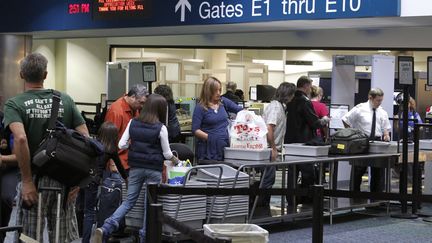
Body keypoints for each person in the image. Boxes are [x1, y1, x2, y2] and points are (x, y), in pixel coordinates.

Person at [3, 52, 88, 242]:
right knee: (62, 235)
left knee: (30, 237)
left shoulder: (15, 104)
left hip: (35, 180)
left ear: (21, 75)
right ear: (46, 75)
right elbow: (85, 138)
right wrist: (77, 181)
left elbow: (21, 139)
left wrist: (26, 182)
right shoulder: (65, 100)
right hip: (64, 180)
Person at [95, 94, 179, 243]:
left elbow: (121, 145)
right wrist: (175, 160)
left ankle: (107, 227)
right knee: (150, 205)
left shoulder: (133, 122)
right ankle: (144, 236)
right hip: (153, 170)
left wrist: (132, 146)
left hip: (135, 168)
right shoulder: (161, 128)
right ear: (160, 110)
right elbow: (166, 154)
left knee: (129, 201)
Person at [284, 76, 329, 205]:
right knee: (307, 172)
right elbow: (314, 122)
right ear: (305, 86)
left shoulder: (290, 100)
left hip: (290, 141)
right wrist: (324, 120)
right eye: (309, 86)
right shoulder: (304, 101)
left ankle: (291, 199)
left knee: (292, 173)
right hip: (304, 142)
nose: (310, 89)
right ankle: (306, 198)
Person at [81, 121, 127, 243]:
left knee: (85, 211)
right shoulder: (111, 150)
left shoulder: (93, 144)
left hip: (83, 178)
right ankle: (90, 238)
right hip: (95, 181)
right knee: (91, 211)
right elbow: (121, 168)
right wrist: (127, 180)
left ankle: (83, 239)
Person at [342, 88, 391, 192]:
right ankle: (354, 195)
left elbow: (385, 128)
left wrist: (386, 135)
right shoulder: (360, 108)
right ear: (370, 98)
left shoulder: (382, 112)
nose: (379, 102)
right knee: (358, 170)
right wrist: (351, 134)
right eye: (378, 100)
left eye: (381, 100)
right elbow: (345, 119)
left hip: (377, 142)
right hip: (361, 142)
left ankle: (376, 197)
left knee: (378, 171)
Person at [258, 82, 296, 206]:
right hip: (269, 149)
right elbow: (270, 128)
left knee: (269, 179)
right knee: (268, 180)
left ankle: (262, 207)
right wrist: (274, 148)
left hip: (271, 148)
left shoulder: (279, 106)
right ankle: (260, 209)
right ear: (288, 94)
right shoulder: (275, 107)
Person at [192, 77, 243, 161]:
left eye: (220, 90)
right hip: (208, 150)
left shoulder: (223, 102)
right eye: (215, 90)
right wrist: (212, 138)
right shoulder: (200, 107)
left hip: (224, 147)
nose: (219, 93)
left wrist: (248, 115)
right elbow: (195, 130)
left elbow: (239, 110)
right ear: (208, 91)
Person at [105, 84, 149, 172]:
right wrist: (112, 163)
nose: (142, 106)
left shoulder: (134, 108)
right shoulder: (116, 111)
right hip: (119, 163)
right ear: (132, 97)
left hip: (130, 160)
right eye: (141, 102)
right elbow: (108, 140)